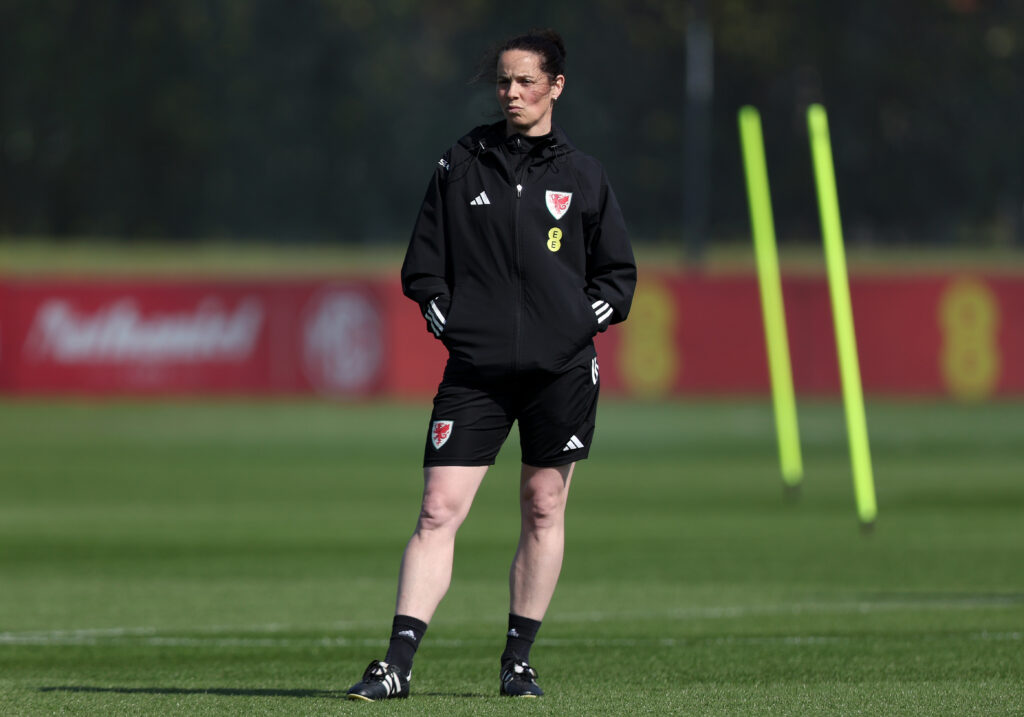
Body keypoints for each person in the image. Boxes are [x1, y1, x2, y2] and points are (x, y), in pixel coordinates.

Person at [346, 28, 636, 701]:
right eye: (503, 81)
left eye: (526, 81)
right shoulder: (461, 163)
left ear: (556, 86)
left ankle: (518, 661)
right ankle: (395, 663)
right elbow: (422, 267)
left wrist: (570, 327)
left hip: (559, 372)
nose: (511, 93)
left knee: (543, 504)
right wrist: (447, 318)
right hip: (476, 372)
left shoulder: (584, 176)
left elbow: (617, 279)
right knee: (437, 509)